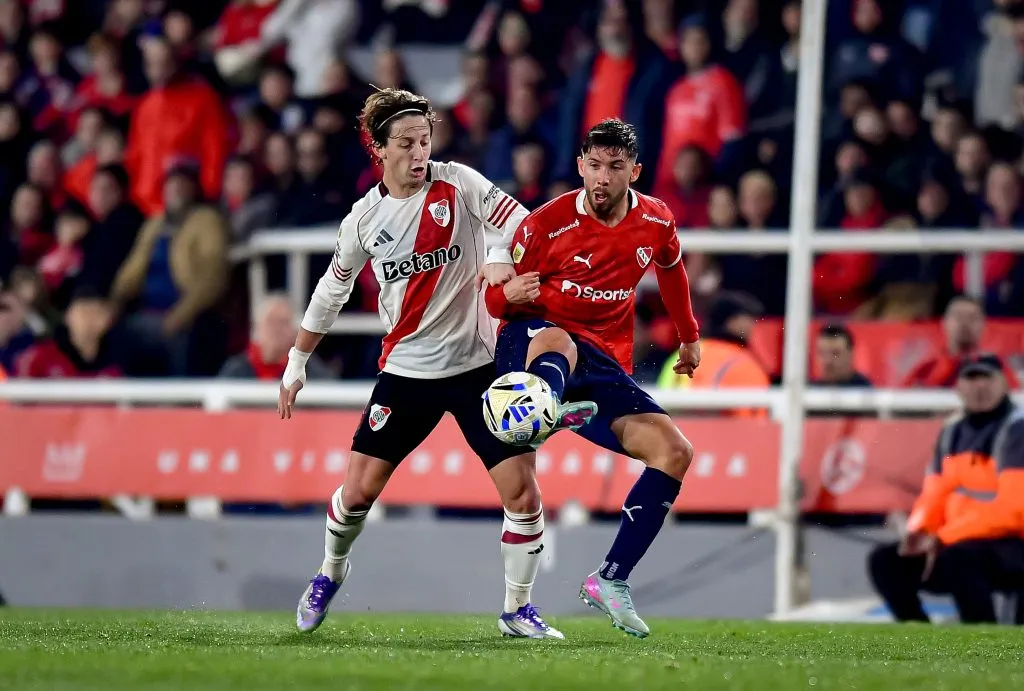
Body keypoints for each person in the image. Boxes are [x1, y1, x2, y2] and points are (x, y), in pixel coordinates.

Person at [278, 88, 562, 640]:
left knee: (522, 493)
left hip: (478, 368)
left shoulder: (460, 182)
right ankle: (330, 572)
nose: (418, 152)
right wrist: (297, 358)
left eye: (424, 139)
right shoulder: (363, 220)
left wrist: (500, 260)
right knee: (358, 493)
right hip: (407, 371)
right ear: (377, 149)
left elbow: (522, 224)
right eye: (405, 142)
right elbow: (331, 290)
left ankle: (517, 610)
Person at [484, 119, 701, 638]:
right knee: (560, 340)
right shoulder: (546, 224)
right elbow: (497, 298)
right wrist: (504, 296)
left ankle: (611, 579)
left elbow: (671, 269)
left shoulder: (654, 220)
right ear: (580, 165)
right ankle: (544, 410)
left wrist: (689, 335)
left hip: (600, 360)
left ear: (635, 171)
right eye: (594, 166)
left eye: (615, 167)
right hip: (532, 342)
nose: (602, 178)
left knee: (675, 452)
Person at [868, 354, 1024, 624]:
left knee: (960, 558)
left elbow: (1014, 511)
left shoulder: (1016, 431)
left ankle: (983, 642)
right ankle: (920, 640)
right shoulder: (952, 433)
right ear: (958, 387)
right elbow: (933, 496)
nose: (980, 386)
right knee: (885, 561)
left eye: (987, 377)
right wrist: (918, 532)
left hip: (1012, 545)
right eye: (971, 378)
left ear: (1004, 383)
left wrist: (945, 537)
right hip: (960, 543)